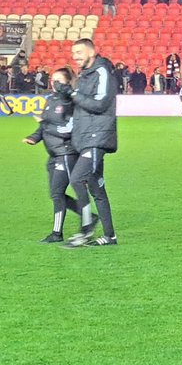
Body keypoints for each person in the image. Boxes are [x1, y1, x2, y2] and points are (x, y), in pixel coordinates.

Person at [24, 68, 93, 243]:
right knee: (56, 194)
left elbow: (67, 131)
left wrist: (44, 123)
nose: (54, 83)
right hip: (53, 154)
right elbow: (44, 127)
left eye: (58, 80)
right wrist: (34, 137)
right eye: (52, 79)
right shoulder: (50, 100)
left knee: (57, 193)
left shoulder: (71, 103)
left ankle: (57, 233)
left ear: (67, 82)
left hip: (65, 153)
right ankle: (88, 217)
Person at [64, 39, 119, 247]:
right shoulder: (84, 76)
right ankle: (110, 236)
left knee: (78, 179)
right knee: (97, 189)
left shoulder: (102, 71)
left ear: (92, 51)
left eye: (79, 51)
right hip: (86, 138)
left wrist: (72, 93)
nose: (75, 56)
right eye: (73, 53)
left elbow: (101, 103)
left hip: (97, 138)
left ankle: (86, 230)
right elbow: (80, 108)